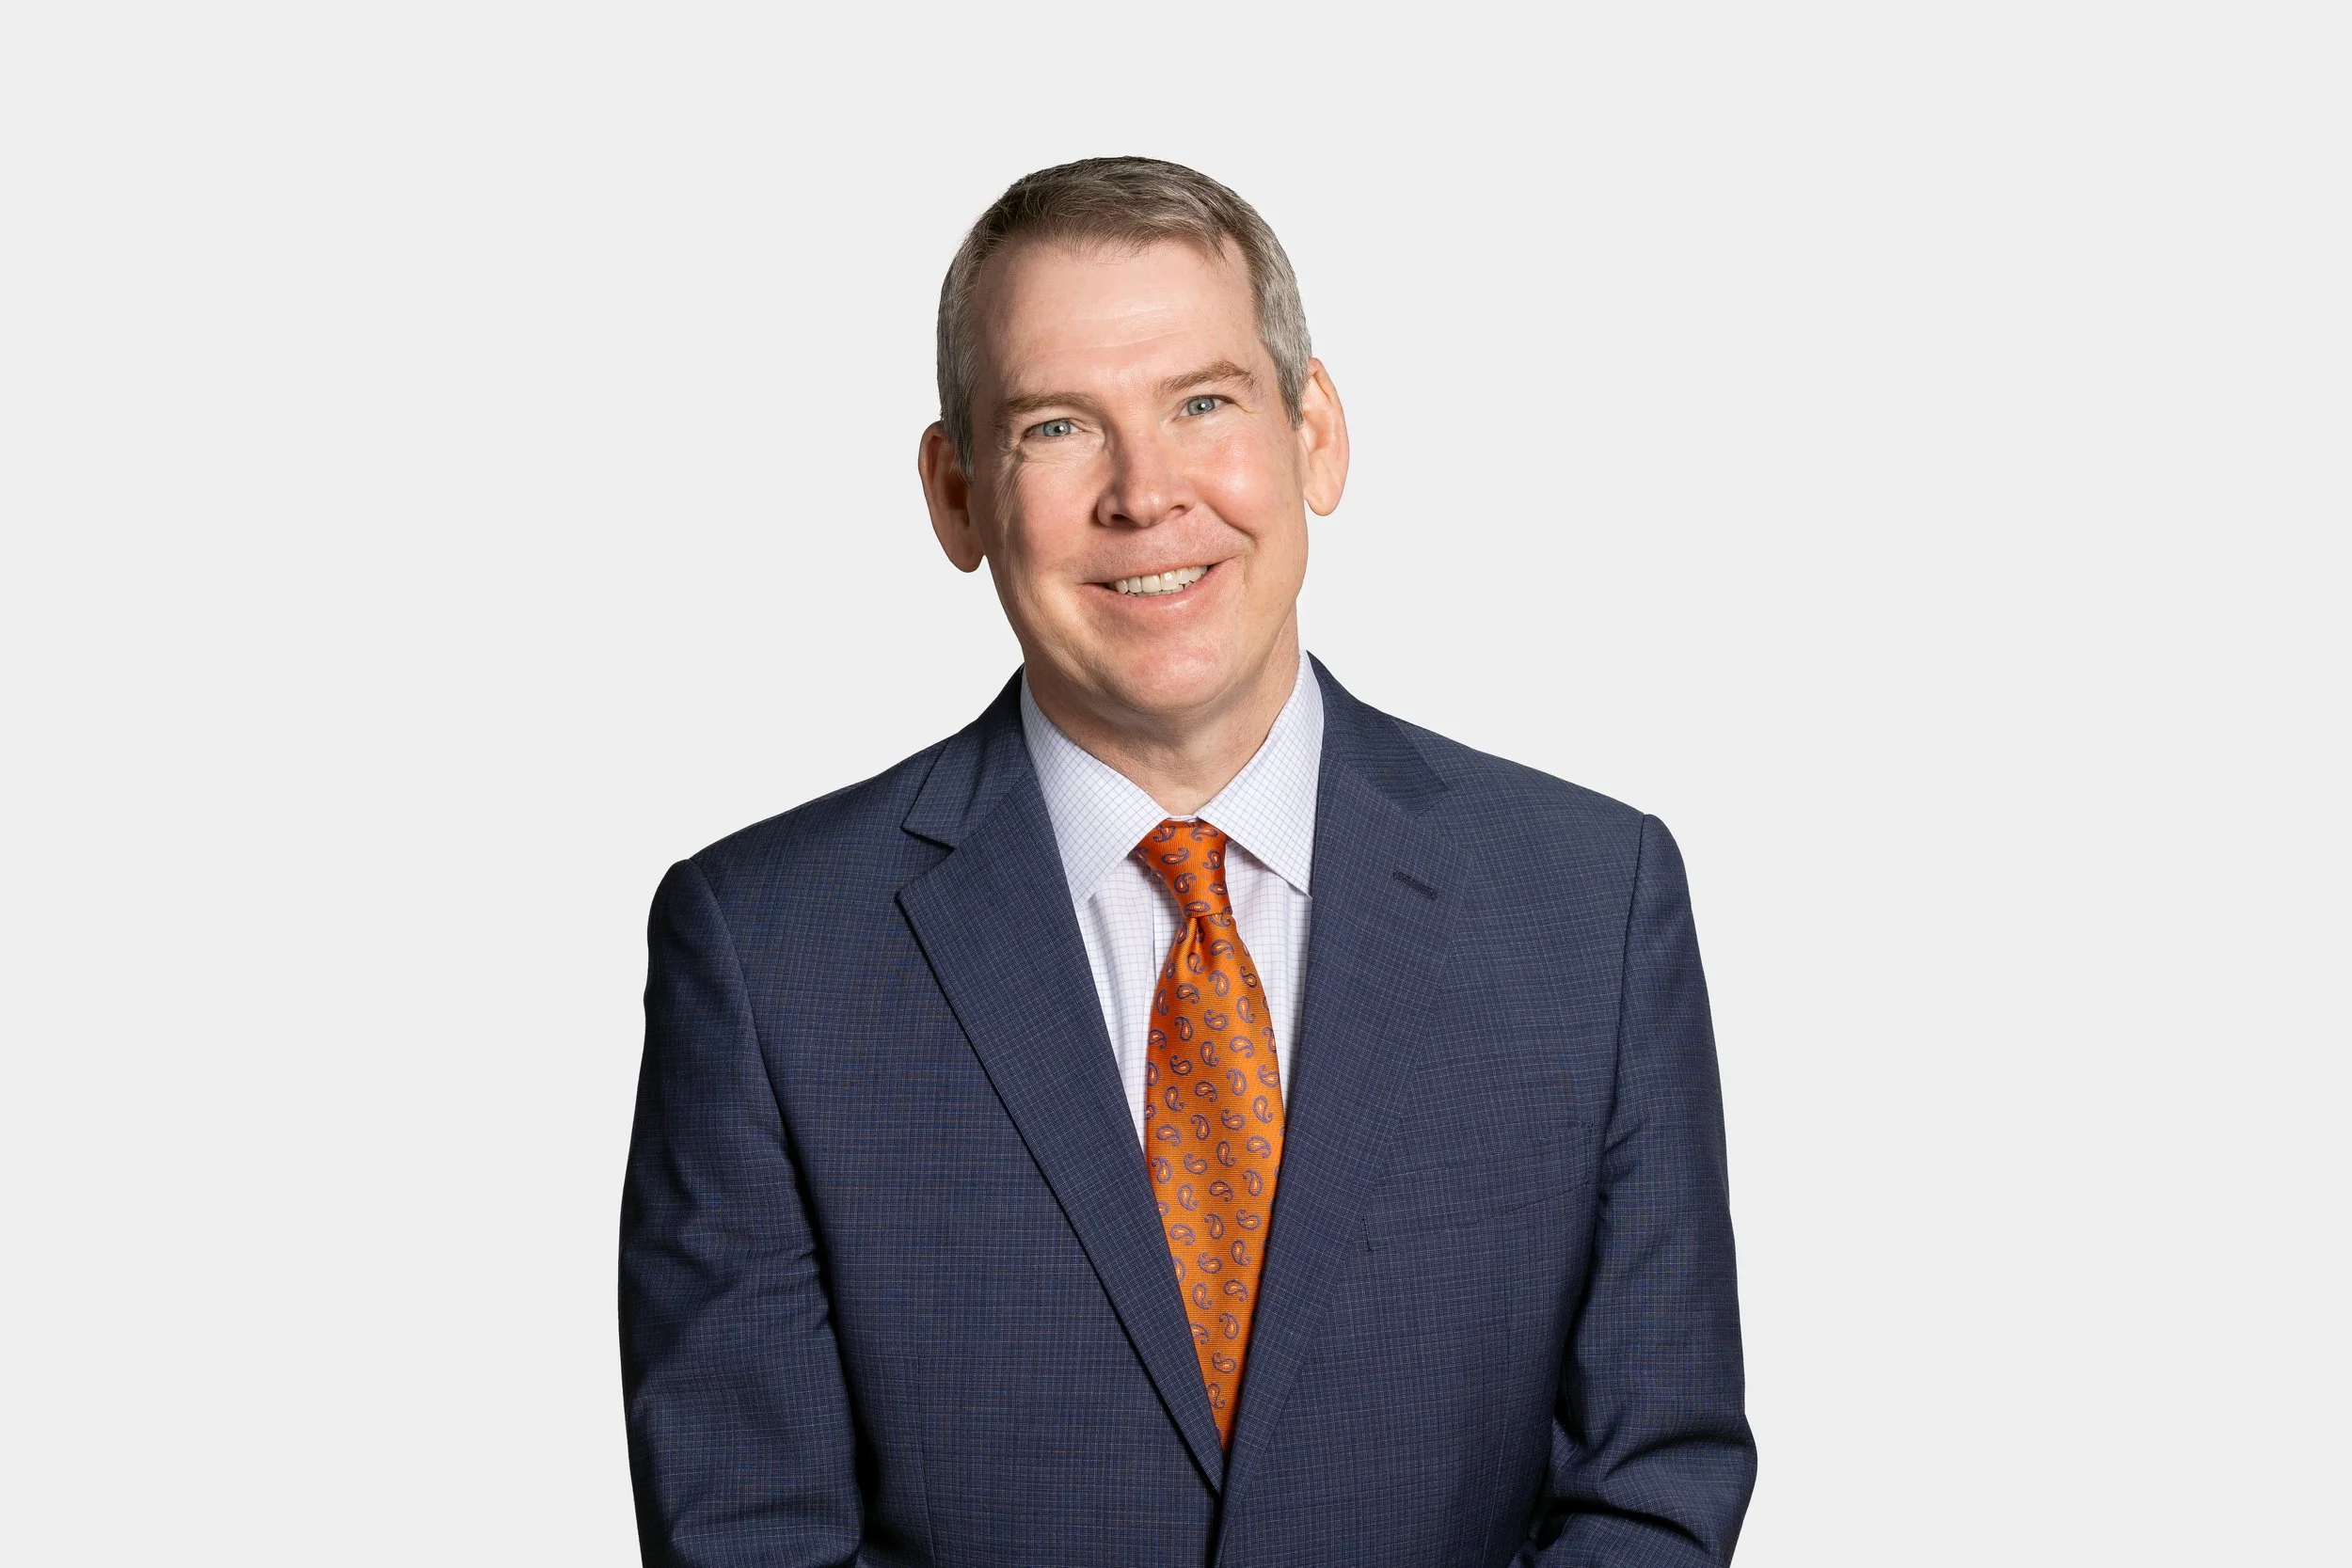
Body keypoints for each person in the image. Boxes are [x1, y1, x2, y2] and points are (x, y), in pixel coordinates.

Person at [619, 156, 1756, 1567]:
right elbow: (748, 1534)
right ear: (957, 493)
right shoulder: (767, 950)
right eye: (1055, 427)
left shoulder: (1591, 903)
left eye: (1203, 403)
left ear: (1314, 433)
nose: (1146, 493)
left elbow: (1651, 1491)